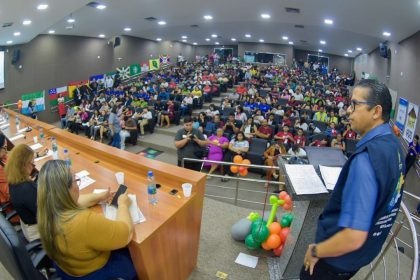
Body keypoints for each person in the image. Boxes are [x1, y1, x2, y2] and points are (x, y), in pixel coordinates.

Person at [301, 80, 405, 279]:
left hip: (333, 260)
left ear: (376, 111)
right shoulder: (393, 144)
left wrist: (316, 251)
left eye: (354, 105)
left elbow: (353, 237)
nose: (347, 110)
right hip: (362, 254)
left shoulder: (365, 160)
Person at [37, 160, 136, 279]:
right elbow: (126, 234)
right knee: (134, 257)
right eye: (76, 181)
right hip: (94, 272)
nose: (77, 185)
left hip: (69, 270)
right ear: (66, 190)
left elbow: (78, 201)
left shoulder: (47, 212)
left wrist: (100, 196)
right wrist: (122, 204)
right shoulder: (83, 221)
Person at [4, 144, 39, 241]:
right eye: (32, 164)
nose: (33, 167)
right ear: (24, 164)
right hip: (38, 232)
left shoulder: (13, 180)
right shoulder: (26, 188)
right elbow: (46, 214)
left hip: (27, 225)